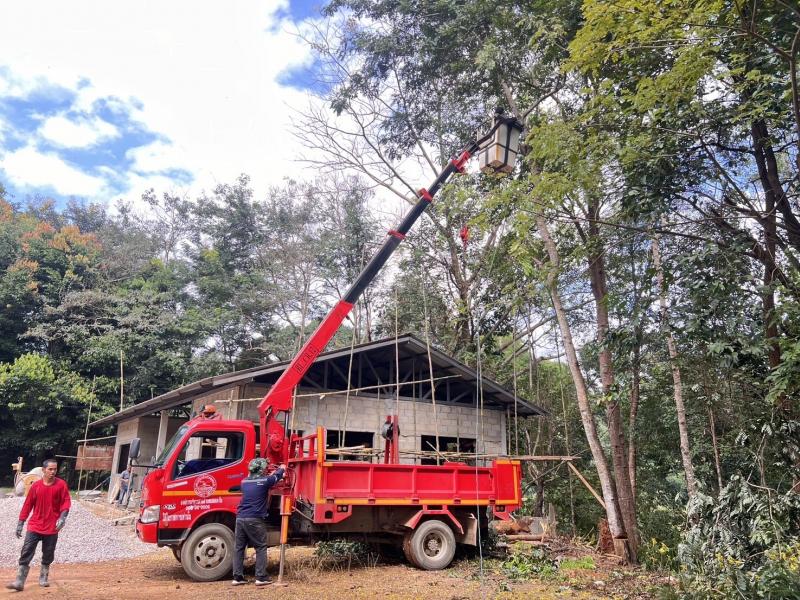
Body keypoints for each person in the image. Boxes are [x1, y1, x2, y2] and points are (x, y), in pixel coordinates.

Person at [7, 458, 71, 591]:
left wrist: (62, 518)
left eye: (55, 469)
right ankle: (19, 581)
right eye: (50, 469)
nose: (53, 472)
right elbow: (28, 505)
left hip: (52, 527)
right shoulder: (36, 486)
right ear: (43, 470)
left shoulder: (61, 485)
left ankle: (43, 577)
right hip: (35, 525)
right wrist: (20, 523)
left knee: (48, 553)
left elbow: (66, 502)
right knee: (26, 551)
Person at [232, 458, 286, 586]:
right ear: (261, 470)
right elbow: (277, 476)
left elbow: (262, 480)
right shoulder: (265, 481)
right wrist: (282, 468)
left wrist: (270, 475)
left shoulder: (244, 482)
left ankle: (237, 578)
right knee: (261, 547)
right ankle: (261, 577)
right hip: (255, 519)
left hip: (240, 518)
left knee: (239, 548)